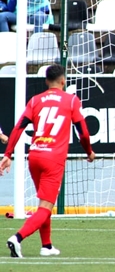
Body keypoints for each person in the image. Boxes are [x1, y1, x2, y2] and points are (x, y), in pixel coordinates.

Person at [1, 65, 95, 258]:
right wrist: (89, 152)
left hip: (34, 156)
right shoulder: (71, 100)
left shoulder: (35, 100)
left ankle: (47, 245)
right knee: (46, 206)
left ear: (46, 81)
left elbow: (19, 127)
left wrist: (8, 154)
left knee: (44, 203)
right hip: (53, 159)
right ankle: (17, 238)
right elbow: (83, 132)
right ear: (63, 81)